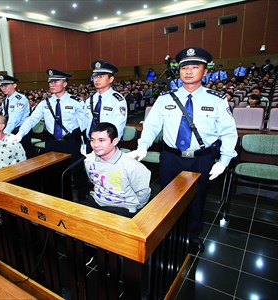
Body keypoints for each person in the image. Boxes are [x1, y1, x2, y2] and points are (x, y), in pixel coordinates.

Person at [129, 47, 238, 253]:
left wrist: (224, 161)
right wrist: (143, 146)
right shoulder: (165, 99)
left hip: (201, 159)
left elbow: (229, 133)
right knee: (166, 198)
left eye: (194, 67)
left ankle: (193, 236)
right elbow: (151, 126)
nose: (188, 71)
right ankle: (167, 233)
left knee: (197, 200)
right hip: (171, 157)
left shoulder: (217, 100)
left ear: (205, 72)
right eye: (184, 67)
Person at [10, 69, 87, 201]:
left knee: (78, 173)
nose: (52, 84)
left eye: (56, 81)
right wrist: (20, 134)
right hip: (52, 142)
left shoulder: (75, 102)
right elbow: (32, 119)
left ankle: (82, 202)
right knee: (52, 173)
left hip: (71, 142)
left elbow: (85, 124)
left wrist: (85, 143)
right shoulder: (45, 103)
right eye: (50, 81)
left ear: (65, 83)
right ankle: (55, 201)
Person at [82, 122, 151, 217]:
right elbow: (94, 181)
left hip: (122, 208)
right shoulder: (89, 160)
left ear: (114, 141)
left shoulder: (132, 166)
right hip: (97, 201)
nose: (95, 145)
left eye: (101, 140)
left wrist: (134, 209)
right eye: (92, 140)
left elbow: (143, 193)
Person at [83, 60, 127, 151]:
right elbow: (86, 123)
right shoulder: (89, 100)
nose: (97, 79)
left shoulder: (117, 100)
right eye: (95, 76)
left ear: (111, 79)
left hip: (108, 145)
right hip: (90, 144)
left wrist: (109, 145)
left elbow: (118, 126)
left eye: (101, 76)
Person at [0, 74, 34, 157]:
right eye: (1, 86)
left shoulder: (20, 99)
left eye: (6, 85)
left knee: (24, 157)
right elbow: (5, 117)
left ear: (14, 85)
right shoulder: (6, 100)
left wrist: (4, 134)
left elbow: (14, 119)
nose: (3, 88)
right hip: (10, 130)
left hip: (20, 131)